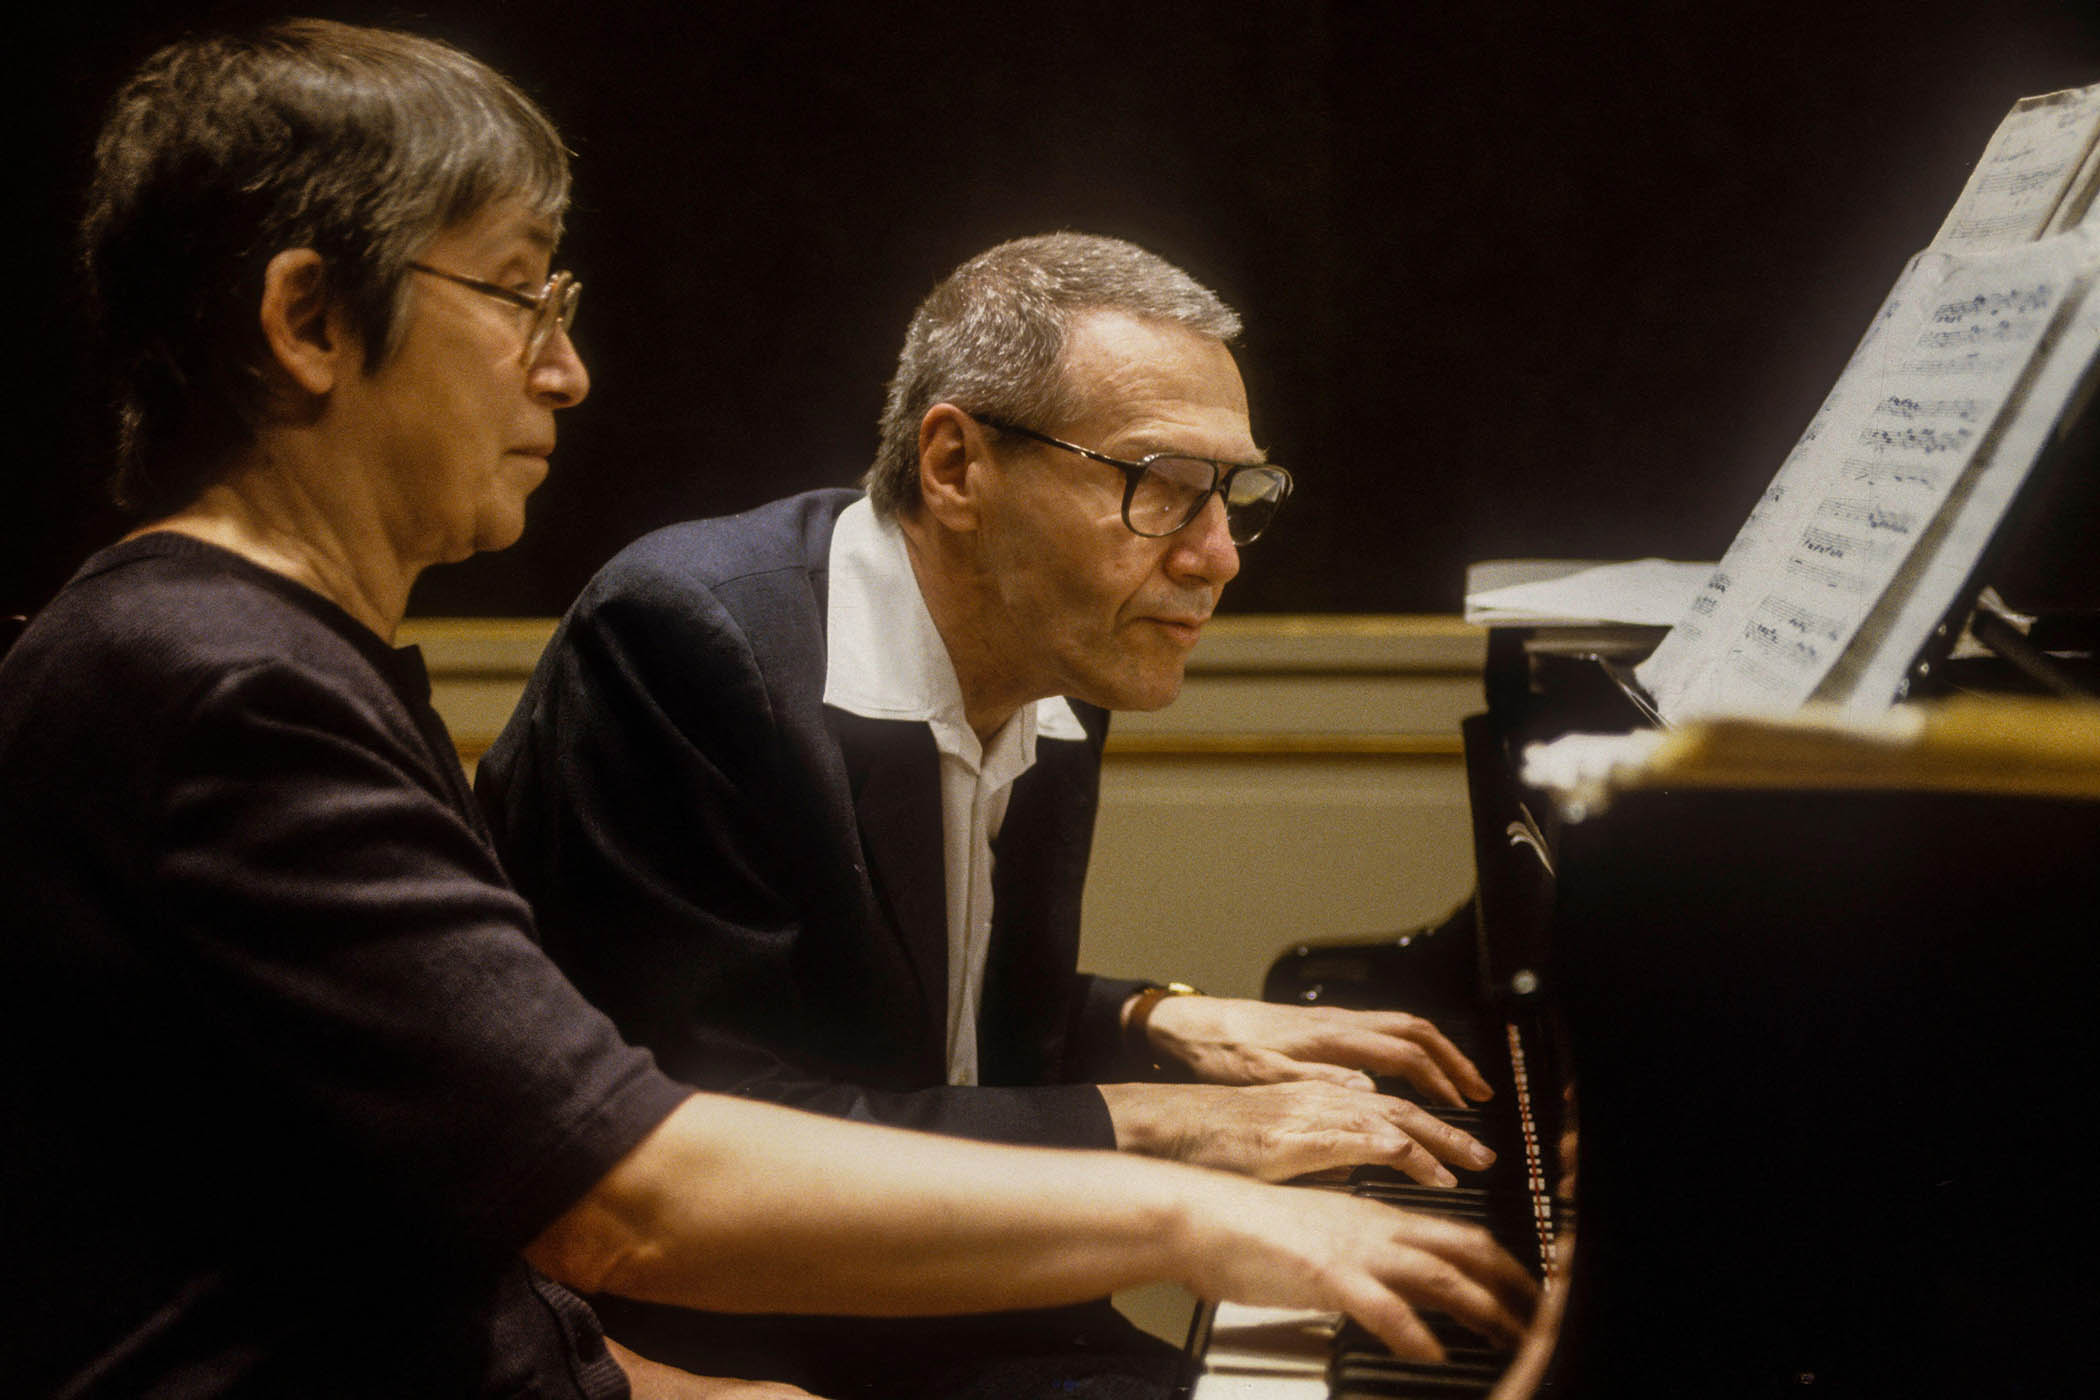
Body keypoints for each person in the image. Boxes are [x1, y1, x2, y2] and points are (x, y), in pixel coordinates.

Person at [0, 22, 1541, 1400]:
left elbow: (431, 1223)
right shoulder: (220, 693)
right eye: (521, 294)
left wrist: (1150, 1036)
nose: (571, 372)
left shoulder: (280, 666)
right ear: (310, 323)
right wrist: (1200, 1199)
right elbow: (627, 1185)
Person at [476, 233, 1509, 1395]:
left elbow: (918, 1020)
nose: (1216, 554)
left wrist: (1161, 1018)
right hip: (730, 1338)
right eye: (1159, 484)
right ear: (957, 465)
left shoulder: (1054, 640)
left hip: (953, 1294)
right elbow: (698, 1124)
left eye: (1233, 493)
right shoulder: (688, 638)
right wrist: (1166, 1127)